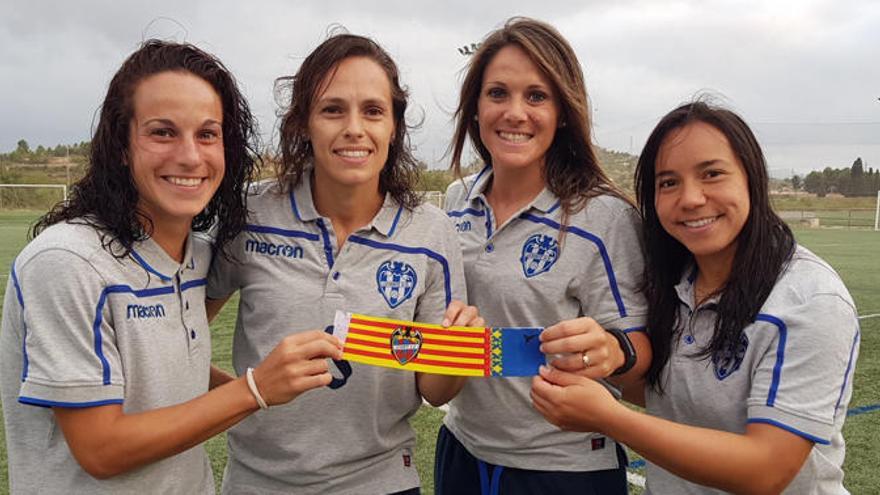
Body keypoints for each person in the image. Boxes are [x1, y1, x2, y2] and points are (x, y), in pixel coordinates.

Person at [0, 40, 343, 494]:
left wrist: (277, 389)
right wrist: (255, 389)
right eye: (163, 132)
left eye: (207, 134)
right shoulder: (67, 261)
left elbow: (171, 370)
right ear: (121, 145)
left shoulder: (199, 255)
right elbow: (101, 449)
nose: (190, 156)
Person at [532, 101, 860, 494]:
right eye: (668, 182)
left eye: (712, 174)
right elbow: (668, 393)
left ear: (751, 178)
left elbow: (766, 469)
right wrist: (607, 355)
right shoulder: (674, 283)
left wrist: (609, 417)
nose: (690, 198)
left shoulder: (810, 299)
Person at [206, 33, 475, 495]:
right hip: (256, 482)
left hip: (383, 482)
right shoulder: (250, 215)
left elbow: (435, 389)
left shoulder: (432, 233)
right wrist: (246, 394)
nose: (354, 128)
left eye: (373, 111)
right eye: (333, 109)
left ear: (394, 126)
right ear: (303, 123)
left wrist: (460, 354)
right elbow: (180, 340)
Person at [437, 17, 651, 495]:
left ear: (563, 112)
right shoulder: (455, 201)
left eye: (536, 96)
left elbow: (641, 349)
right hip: (462, 450)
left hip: (563, 469)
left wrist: (613, 349)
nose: (515, 112)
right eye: (497, 93)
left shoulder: (603, 217)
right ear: (475, 108)